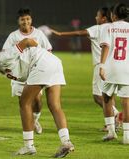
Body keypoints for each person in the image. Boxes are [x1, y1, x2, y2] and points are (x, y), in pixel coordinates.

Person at [0, 38, 74, 157]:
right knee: (54, 105)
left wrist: (38, 51)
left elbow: (26, 41)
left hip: (41, 63)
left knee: (24, 103)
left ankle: (28, 146)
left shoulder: (3, 57)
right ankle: (66, 142)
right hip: (54, 62)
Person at [51, 7, 121, 131]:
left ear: (103, 18)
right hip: (115, 64)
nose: (95, 18)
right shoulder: (115, 28)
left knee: (98, 96)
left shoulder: (98, 28)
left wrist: (60, 34)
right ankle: (111, 123)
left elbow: (79, 33)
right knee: (109, 95)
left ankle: (116, 115)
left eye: (97, 16)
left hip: (101, 65)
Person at [2, 8, 53, 134]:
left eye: (27, 19)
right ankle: (28, 129)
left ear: (31, 20)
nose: (25, 22)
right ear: (18, 21)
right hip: (19, 74)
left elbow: (48, 50)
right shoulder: (13, 36)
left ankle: (35, 120)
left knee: (37, 100)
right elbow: (5, 53)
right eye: (22, 19)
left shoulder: (39, 34)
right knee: (23, 102)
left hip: (35, 72)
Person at [99, 3, 129, 143]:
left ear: (114, 15)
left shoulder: (108, 27)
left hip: (111, 68)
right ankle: (127, 136)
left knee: (106, 97)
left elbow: (106, 46)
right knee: (126, 102)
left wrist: (102, 66)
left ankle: (111, 131)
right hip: (127, 68)